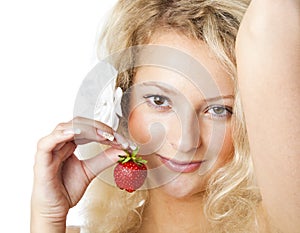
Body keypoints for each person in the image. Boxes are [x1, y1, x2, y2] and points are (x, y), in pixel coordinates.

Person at [30, 0, 300, 232]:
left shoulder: (283, 222)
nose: (185, 142)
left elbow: (271, 22)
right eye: (159, 101)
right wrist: (47, 218)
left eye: (218, 110)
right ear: (121, 103)